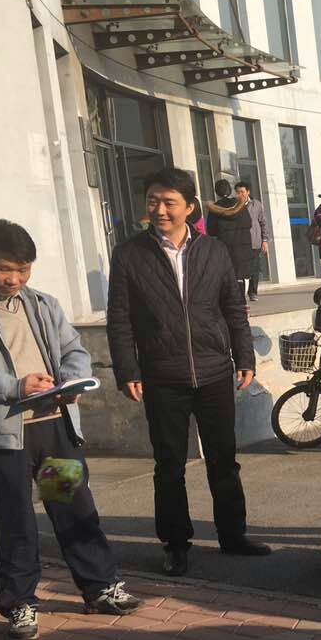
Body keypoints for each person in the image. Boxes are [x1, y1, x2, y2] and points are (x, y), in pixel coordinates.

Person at [0, 220, 140, 640]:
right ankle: (19, 604)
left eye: (23, 270)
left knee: (73, 508)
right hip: (3, 434)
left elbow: (73, 349)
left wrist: (72, 380)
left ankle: (99, 586)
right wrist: (14, 386)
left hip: (51, 426)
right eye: (4, 269)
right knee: (14, 520)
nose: (14, 279)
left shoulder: (43, 304)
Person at [106, 167, 271, 577]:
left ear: (190, 207)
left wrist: (245, 357)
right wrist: (127, 369)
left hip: (214, 372)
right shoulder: (129, 255)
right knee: (169, 466)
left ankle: (233, 535)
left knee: (223, 461)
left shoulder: (214, 250)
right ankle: (175, 545)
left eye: (169, 202)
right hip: (163, 375)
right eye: (153, 201)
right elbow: (120, 319)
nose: (159, 210)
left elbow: (233, 308)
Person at [205, 179, 253, 301]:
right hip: (243, 247)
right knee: (241, 277)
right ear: (230, 191)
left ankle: (233, 304)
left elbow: (211, 231)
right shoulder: (240, 205)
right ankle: (242, 303)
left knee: (228, 278)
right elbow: (249, 223)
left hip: (225, 247)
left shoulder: (214, 208)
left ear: (216, 192)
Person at [238, 182, 271, 303]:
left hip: (254, 242)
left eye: (242, 192)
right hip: (240, 243)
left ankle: (253, 292)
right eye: (238, 192)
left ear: (248, 192)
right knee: (241, 268)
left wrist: (265, 240)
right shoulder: (235, 205)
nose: (240, 194)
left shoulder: (256, 205)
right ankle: (240, 294)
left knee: (254, 268)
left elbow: (263, 222)